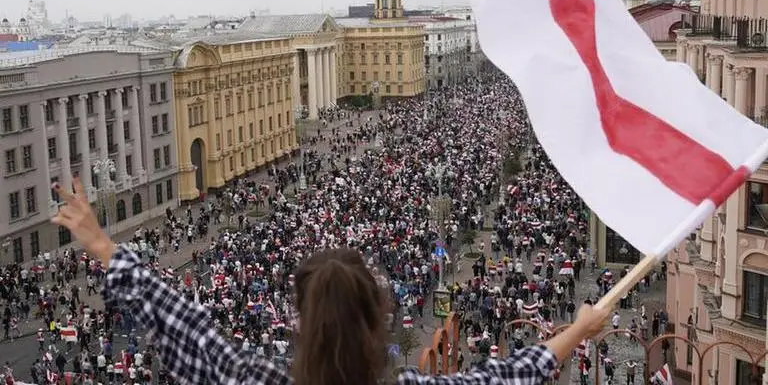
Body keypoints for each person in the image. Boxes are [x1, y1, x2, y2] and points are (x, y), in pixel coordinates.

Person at [52, 178, 610, 385]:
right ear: (377, 318)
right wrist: (577, 332)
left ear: (300, 318)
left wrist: (102, 244)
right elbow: (509, 375)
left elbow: (181, 320)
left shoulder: (248, 377)